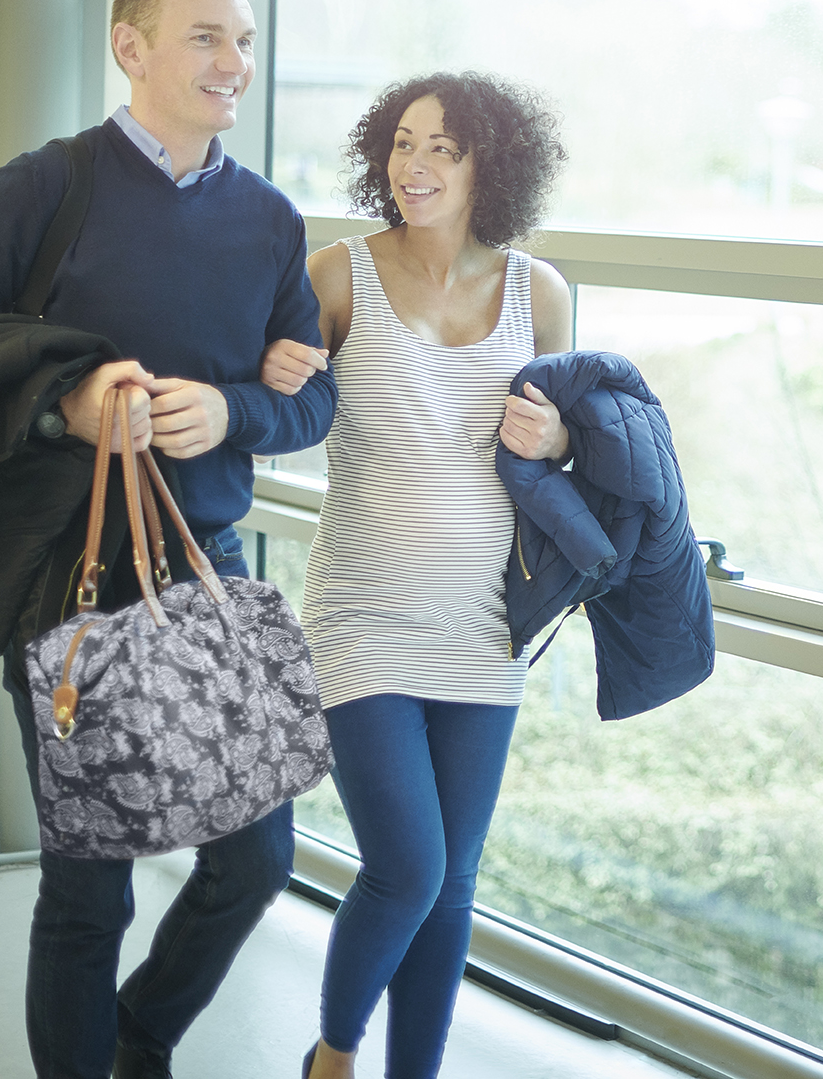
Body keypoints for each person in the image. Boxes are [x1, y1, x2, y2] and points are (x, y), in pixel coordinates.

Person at [0, 0, 337, 1079]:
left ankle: (136, 1034)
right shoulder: (45, 187)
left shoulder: (271, 220)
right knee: (88, 889)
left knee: (257, 859)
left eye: (243, 37)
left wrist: (231, 411)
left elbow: (309, 402)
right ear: (129, 47)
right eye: (205, 36)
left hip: (209, 567)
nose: (234, 60)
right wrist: (74, 399)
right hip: (63, 575)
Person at [257, 72, 572, 1079]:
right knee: (409, 865)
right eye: (402, 142)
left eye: (444, 146)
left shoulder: (542, 291)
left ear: (494, 164)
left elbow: (574, 454)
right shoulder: (337, 273)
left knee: (454, 882)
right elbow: (285, 413)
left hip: (486, 628)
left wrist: (558, 431)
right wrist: (265, 375)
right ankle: (336, 1052)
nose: (416, 165)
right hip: (361, 615)